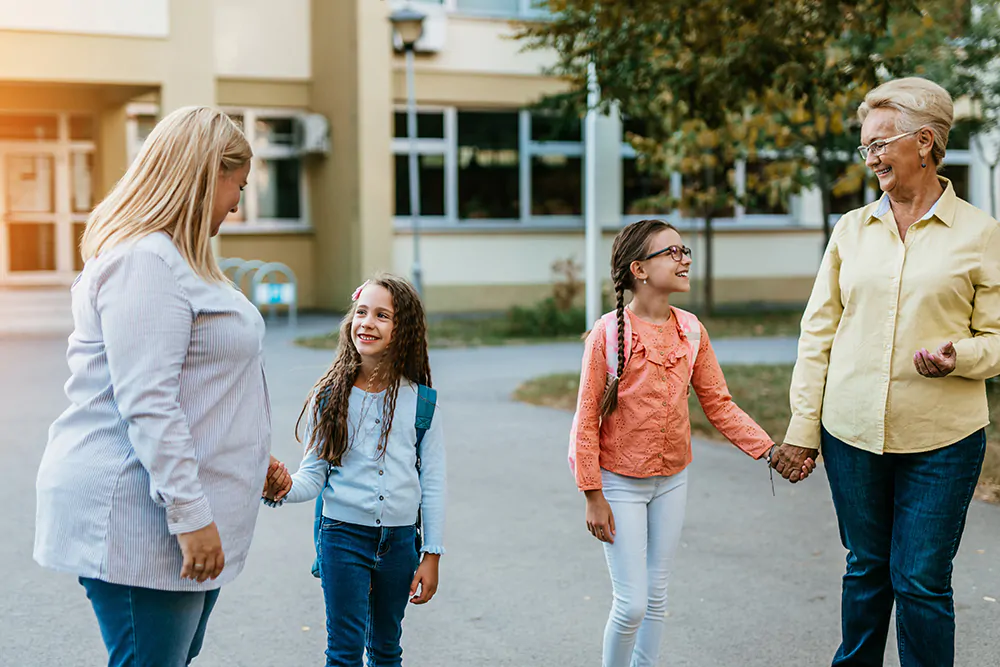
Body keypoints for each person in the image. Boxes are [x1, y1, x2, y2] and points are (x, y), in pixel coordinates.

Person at [34, 105, 290, 667]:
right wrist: (191, 517)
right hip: (138, 511)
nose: (237, 204)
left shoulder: (178, 261)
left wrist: (249, 454)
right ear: (206, 175)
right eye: (238, 185)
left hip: (169, 505)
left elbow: (201, 382)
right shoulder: (144, 262)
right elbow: (148, 402)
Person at [775, 77, 1000, 667]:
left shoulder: (981, 234)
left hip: (943, 439)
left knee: (920, 580)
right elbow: (817, 334)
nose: (871, 157)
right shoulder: (850, 230)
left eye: (880, 143)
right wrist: (802, 428)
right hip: (850, 432)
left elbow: (997, 338)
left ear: (924, 142)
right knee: (866, 569)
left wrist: (960, 357)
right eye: (865, 146)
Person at [570, 219, 814, 667]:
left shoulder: (692, 330)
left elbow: (719, 405)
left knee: (656, 597)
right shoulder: (608, 334)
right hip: (619, 484)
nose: (684, 259)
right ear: (639, 269)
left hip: (672, 481)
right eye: (672, 252)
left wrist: (770, 450)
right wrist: (592, 494)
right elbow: (585, 420)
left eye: (685, 251)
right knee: (632, 604)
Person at [264, 273, 446, 667]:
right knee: (343, 652)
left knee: (385, 650)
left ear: (404, 330)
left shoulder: (421, 402)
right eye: (361, 312)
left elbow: (431, 483)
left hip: (400, 543)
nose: (367, 322)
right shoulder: (329, 396)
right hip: (342, 536)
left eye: (382, 315)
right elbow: (313, 475)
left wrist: (431, 553)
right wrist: (281, 487)